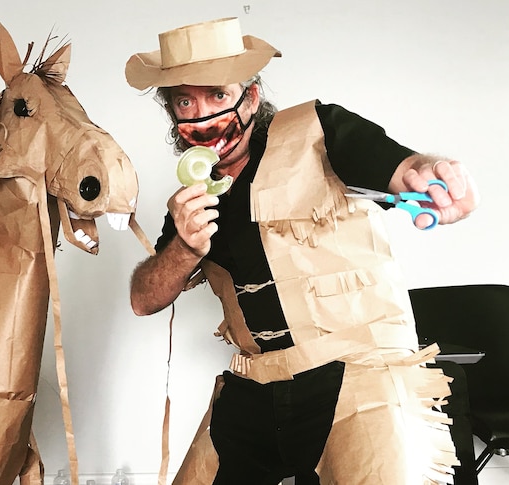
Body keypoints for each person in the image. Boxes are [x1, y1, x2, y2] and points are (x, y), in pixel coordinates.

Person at [125, 17, 480, 485]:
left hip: (357, 370)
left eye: (218, 95)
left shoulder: (320, 131)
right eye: (185, 101)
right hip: (254, 385)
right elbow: (143, 298)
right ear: (173, 115)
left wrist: (430, 172)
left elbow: (401, 167)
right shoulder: (191, 198)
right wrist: (185, 248)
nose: (203, 115)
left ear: (250, 96)